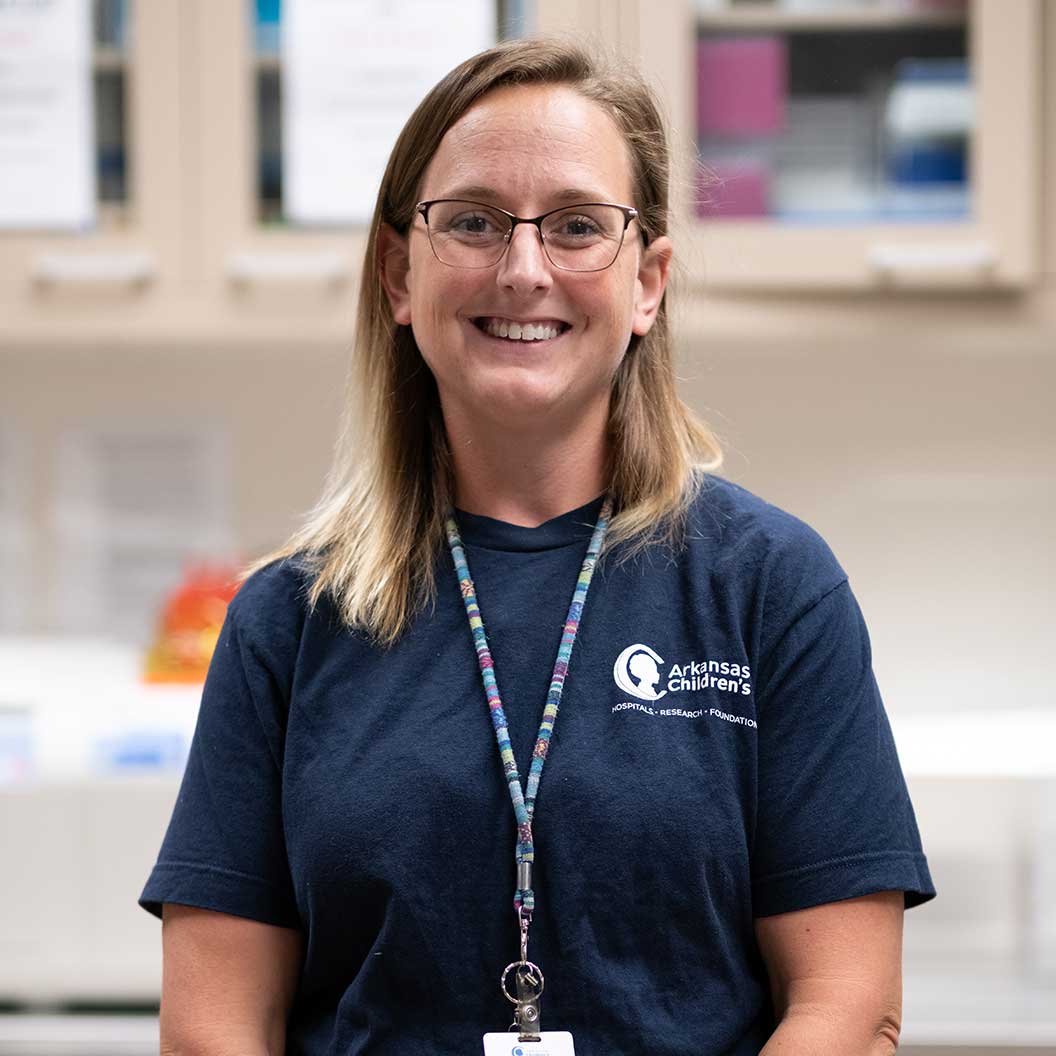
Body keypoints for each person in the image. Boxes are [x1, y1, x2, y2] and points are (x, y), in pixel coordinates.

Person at [139, 37, 935, 1056]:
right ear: (398, 271)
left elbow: (847, 1003)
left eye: (576, 227)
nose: (523, 269)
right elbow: (214, 1026)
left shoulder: (771, 588)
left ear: (648, 282)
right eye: (471, 221)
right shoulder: (288, 622)